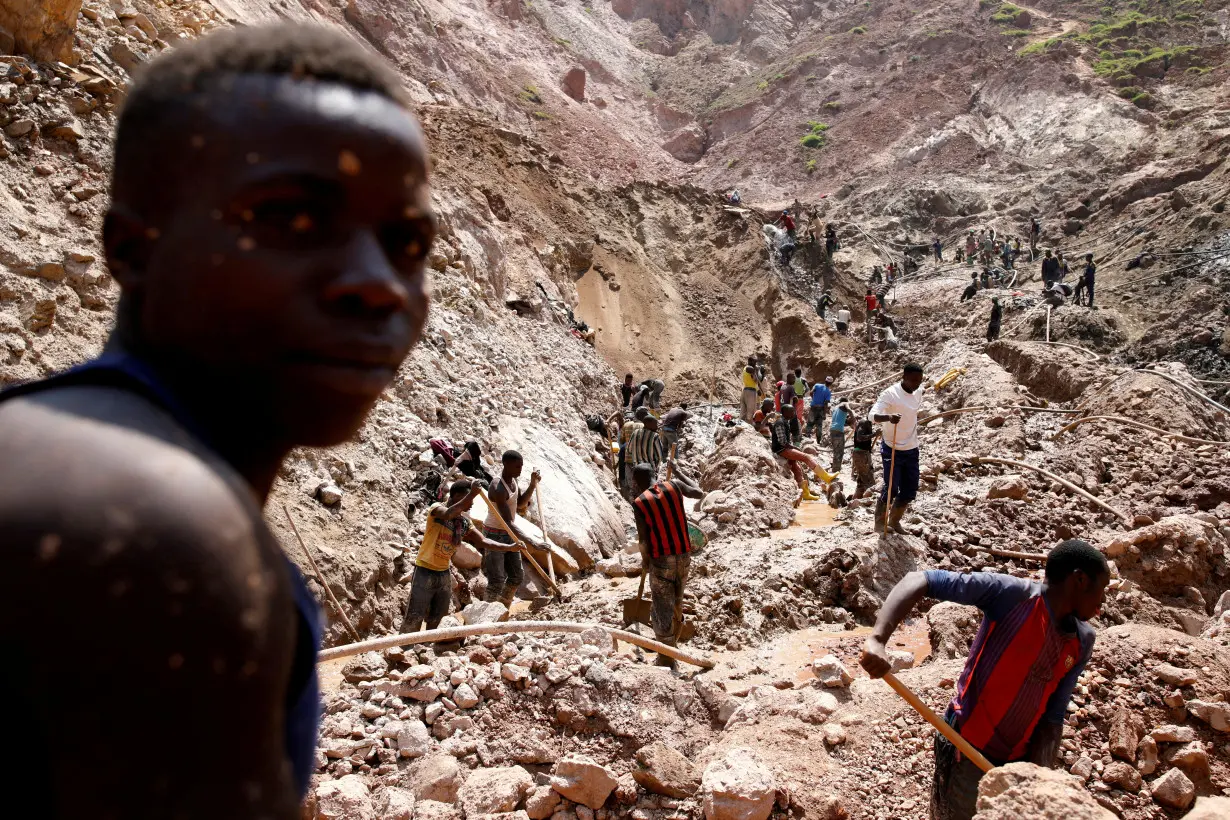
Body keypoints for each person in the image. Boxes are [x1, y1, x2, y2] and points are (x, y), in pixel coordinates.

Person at [0, 24, 434, 815]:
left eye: (407, 243)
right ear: (131, 249)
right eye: (290, 218)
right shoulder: (151, 530)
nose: (381, 286)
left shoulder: (62, 447)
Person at [860, 541, 1109, 820]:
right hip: (966, 748)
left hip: (1018, 762)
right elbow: (920, 579)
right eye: (1102, 589)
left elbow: (1053, 715)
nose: (1103, 602)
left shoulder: (1082, 640)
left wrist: (1039, 779)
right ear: (1079, 579)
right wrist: (878, 639)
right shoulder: (1012, 596)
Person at [402, 480, 517, 633]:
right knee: (414, 615)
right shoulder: (437, 509)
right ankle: (404, 649)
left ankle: (428, 650)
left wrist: (510, 547)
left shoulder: (464, 523)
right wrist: (472, 494)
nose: (471, 504)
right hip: (424, 570)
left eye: (472, 500)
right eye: (467, 498)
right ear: (455, 496)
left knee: (439, 617)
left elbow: (483, 541)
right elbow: (449, 514)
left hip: (444, 574)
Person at [630, 462, 706, 666]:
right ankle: (674, 645)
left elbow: (643, 539)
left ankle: (666, 657)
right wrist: (679, 471)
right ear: (655, 474)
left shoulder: (640, 502)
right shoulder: (674, 486)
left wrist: (645, 562)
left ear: (637, 483)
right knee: (677, 602)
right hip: (684, 555)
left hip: (661, 560)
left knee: (662, 606)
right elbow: (699, 492)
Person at [483, 451, 542, 606]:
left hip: (509, 533)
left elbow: (521, 503)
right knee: (496, 580)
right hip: (493, 534)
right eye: (517, 466)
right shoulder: (498, 487)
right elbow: (508, 521)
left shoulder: (513, 481)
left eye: (521, 466)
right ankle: (486, 617)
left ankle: (503, 608)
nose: (520, 469)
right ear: (506, 465)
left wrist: (532, 484)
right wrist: (533, 542)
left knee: (516, 576)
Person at [870, 363, 924, 535]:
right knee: (891, 487)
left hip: (912, 447)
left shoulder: (918, 392)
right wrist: (888, 417)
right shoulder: (890, 394)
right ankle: (879, 523)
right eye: (913, 380)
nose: (917, 384)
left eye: (919, 380)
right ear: (904, 377)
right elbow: (872, 416)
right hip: (892, 446)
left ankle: (894, 521)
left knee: (910, 488)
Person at [771, 403, 835, 501]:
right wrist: (794, 448)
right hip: (781, 449)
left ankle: (805, 493)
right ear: (785, 413)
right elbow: (782, 442)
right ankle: (826, 477)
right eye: (791, 411)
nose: (794, 413)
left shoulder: (785, 421)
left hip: (783, 448)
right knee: (806, 457)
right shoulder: (780, 423)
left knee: (796, 468)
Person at [626, 409, 666, 489]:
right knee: (651, 490)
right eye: (655, 424)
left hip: (637, 468)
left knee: (638, 490)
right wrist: (656, 467)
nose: (657, 426)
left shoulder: (635, 432)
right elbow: (659, 456)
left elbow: (629, 450)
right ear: (648, 424)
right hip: (650, 471)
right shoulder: (655, 436)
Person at [851, 419, 876, 498]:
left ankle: (853, 503)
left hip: (861, 454)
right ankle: (867, 502)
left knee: (861, 482)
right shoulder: (864, 423)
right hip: (862, 455)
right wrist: (874, 434)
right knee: (869, 481)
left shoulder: (866, 423)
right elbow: (859, 437)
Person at [805, 375, 833, 442]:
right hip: (821, 409)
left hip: (813, 407)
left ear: (825, 381)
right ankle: (818, 441)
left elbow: (811, 392)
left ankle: (807, 437)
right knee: (819, 425)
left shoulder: (817, 385)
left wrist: (813, 399)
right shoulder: (828, 392)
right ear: (831, 383)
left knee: (810, 422)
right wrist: (824, 414)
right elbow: (826, 403)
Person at [830, 402, 851, 471]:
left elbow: (842, 422)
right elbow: (849, 410)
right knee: (839, 451)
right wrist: (854, 419)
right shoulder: (845, 403)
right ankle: (836, 469)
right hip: (839, 432)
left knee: (836, 451)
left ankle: (835, 467)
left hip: (832, 430)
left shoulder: (836, 410)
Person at [740, 356, 760, 421]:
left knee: (743, 411)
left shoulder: (745, 368)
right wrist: (757, 370)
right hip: (751, 392)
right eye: (754, 361)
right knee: (751, 412)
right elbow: (756, 380)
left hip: (745, 390)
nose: (755, 363)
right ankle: (749, 425)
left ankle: (741, 423)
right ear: (750, 361)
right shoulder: (750, 368)